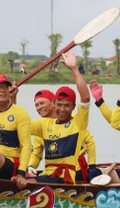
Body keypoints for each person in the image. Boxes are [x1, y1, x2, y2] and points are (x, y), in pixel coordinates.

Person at [26, 52, 100, 184]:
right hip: (49, 173)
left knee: (28, 182)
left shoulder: (78, 122)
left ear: (73, 107)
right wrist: (11, 98)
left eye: (67, 106)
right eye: (59, 105)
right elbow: (18, 124)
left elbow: (85, 98)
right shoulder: (43, 124)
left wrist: (74, 69)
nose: (62, 109)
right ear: (54, 104)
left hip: (69, 175)